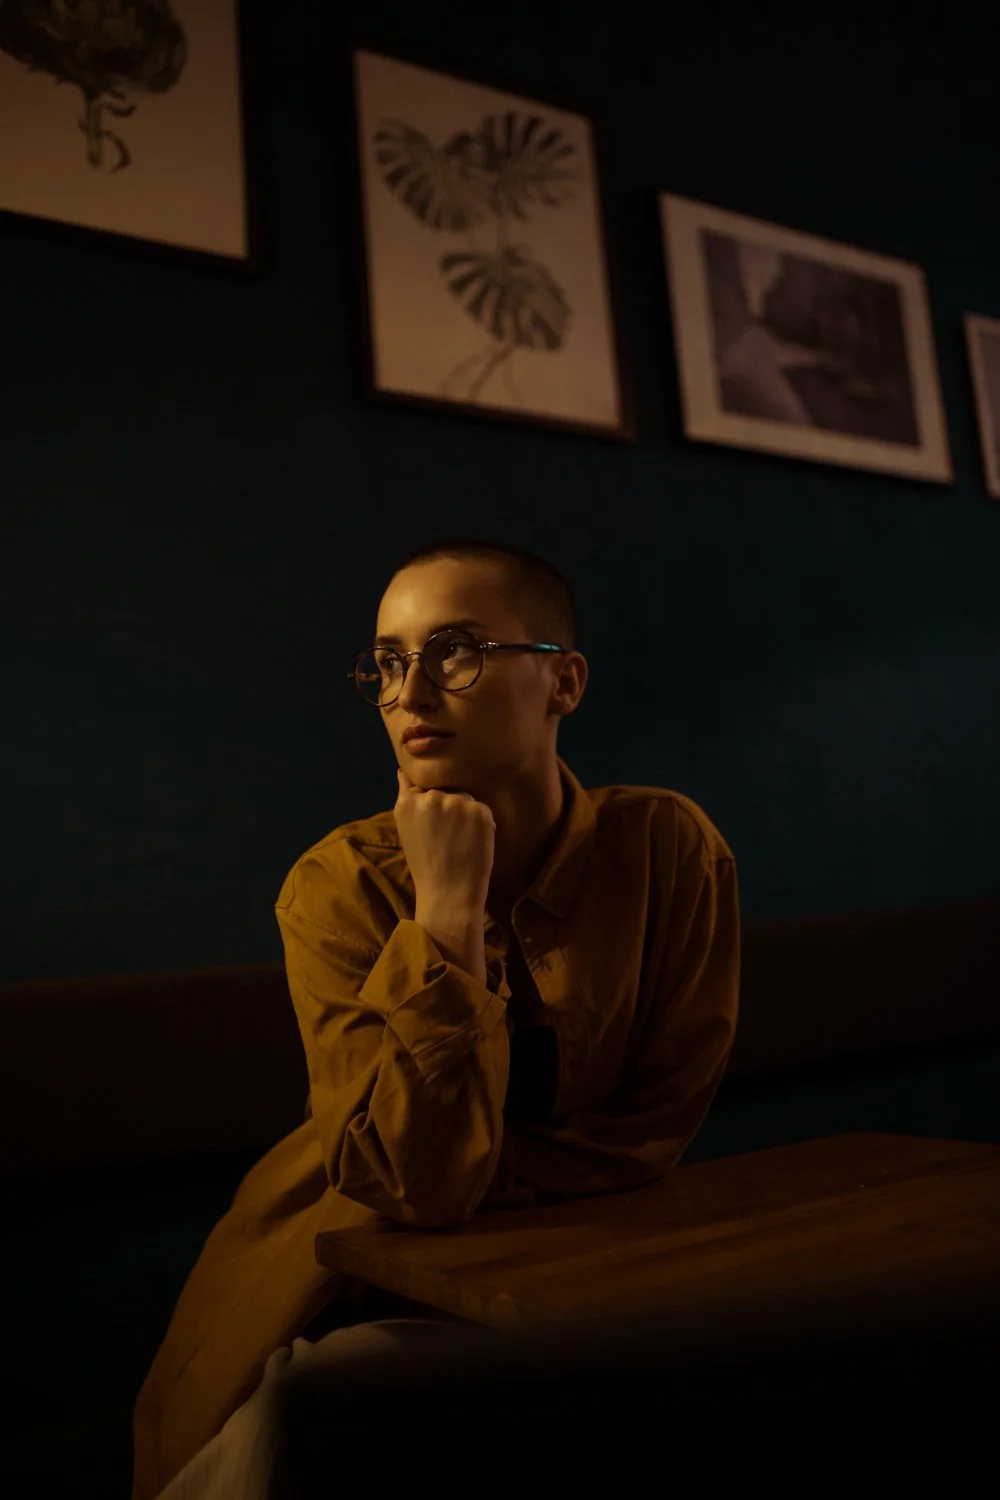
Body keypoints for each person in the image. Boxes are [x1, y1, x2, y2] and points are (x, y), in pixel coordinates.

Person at [131, 538, 741, 1500]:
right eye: (387, 662)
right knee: (347, 1394)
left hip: (577, 1273)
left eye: (455, 650)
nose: (410, 694)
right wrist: (446, 913)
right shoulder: (338, 881)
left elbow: (654, 1127)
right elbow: (412, 1191)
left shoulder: (668, 849)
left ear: (564, 683)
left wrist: (475, 1166)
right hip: (338, 1283)